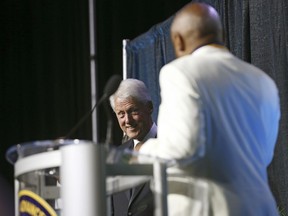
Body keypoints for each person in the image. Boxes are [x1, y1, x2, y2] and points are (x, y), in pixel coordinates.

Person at [139, 2, 280, 216]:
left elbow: (181, 149)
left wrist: (143, 150)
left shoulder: (181, 72)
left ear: (178, 40)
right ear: (220, 34)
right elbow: (266, 155)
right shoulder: (263, 81)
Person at [109, 78, 157, 216]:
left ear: (149, 107)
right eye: (121, 114)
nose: (127, 120)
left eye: (133, 111)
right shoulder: (116, 155)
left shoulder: (169, 146)